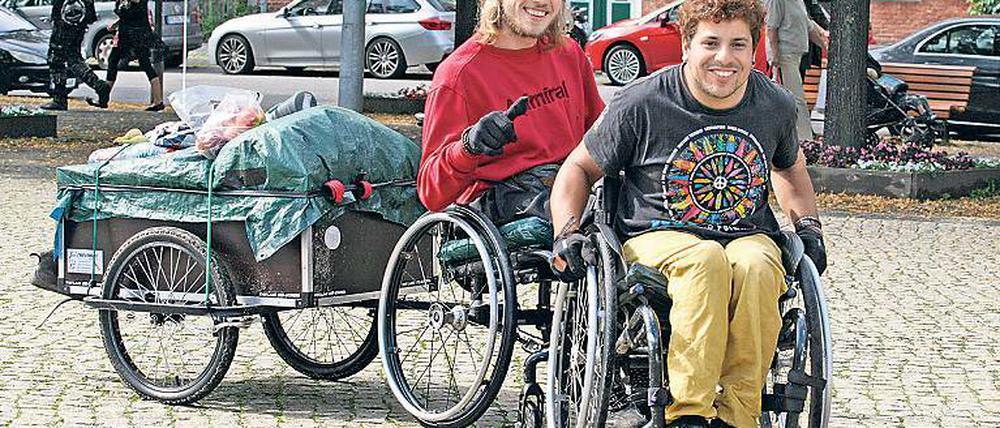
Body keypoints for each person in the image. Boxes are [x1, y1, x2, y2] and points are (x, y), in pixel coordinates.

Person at [547, 0, 827, 427]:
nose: (724, 58)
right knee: (704, 261)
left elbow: (789, 168)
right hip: (656, 234)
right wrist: (566, 231)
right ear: (686, 46)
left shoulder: (774, 105)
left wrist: (808, 226)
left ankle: (738, 415)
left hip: (746, 234)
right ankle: (689, 414)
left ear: (754, 50)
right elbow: (578, 168)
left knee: (758, 264)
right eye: (710, 43)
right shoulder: (643, 102)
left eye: (738, 44)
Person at [417, 0, 604, 224]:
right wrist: (468, 147)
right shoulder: (459, 76)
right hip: (504, 212)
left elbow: (602, 136)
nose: (542, 2)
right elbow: (431, 193)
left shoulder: (568, 54)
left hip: (570, 184)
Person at [764, 0, 828, 142]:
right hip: (784, 56)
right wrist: (774, 56)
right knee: (796, 99)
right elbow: (771, 28)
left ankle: (796, 139)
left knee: (792, 100)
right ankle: (805, 141)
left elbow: (809, 26)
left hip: (796, 55)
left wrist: (826, 46)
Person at [40, 0, 112, 111]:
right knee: (73, 57)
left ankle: (59, 98)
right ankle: (99, 86)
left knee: (57, 58)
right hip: (77, 15)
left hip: (68, 15)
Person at [104, 0, 167, 112]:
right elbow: (125, 15)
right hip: (125, 35)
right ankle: (103, 97)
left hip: (138, 35)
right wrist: (115, 24)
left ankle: (158, 101)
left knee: (145, 64)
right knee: (113, 61)